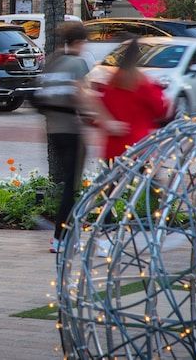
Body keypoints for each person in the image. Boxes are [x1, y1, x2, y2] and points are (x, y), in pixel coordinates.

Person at [36, 22, 124, 254]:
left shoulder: (54, 61)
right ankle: (62, 238)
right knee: (72, 188)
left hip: (54, 132)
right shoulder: (77, 63)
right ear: (79, 42)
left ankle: (66, 236)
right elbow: (83, 95)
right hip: (72, 131)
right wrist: (107, 120)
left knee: (69, 185)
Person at [99, 39, 169, 163]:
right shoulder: (142, 84)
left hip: (112, 149)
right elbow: (160, 109)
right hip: (138, 147)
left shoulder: (112, 83)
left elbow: (102, 109)